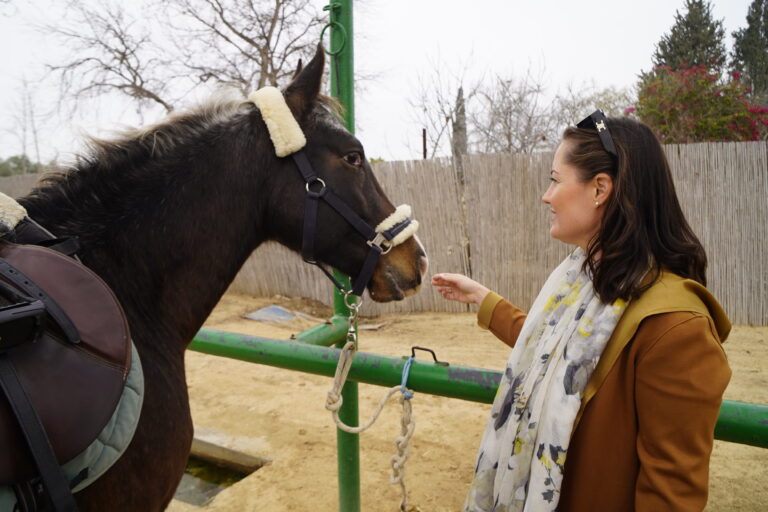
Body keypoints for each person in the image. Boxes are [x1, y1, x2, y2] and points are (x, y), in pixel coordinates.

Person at [432, 111, 731, 512]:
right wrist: (483, 299)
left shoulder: (676, 328)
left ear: (600, 189)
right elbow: (555, 351)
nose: (546, 195)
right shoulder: (586, 281)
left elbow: (671, 495)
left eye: (555, 179)